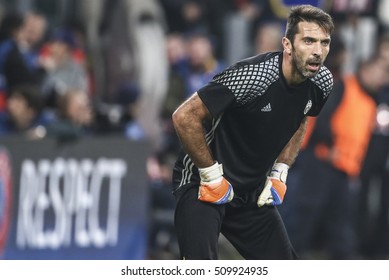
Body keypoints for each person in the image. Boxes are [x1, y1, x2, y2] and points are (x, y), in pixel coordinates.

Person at [171, 5, 334, 260]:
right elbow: (184, 116)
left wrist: (281, 170)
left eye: (324, 43)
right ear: (287, 45)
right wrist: (211, 174)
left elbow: (301, 117)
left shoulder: (322, 81)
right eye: (309, 41)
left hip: (250, 193)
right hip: (201, 183)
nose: (317, 51)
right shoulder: (254, 76)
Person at [285, 56, 387, 259]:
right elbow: (322, 119)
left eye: (385, 75)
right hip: (323, 162)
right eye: (379, 71)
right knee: (306, 214)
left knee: (340, 224)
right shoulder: (344, 87)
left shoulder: (371, 101)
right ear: (365, 68)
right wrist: (329, 147)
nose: (381, 78)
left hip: (345, 170)